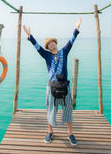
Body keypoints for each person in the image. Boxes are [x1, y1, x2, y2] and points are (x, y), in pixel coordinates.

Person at [23, 17, 81, 146]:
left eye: (53, 42)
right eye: (49, 44)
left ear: (56, 43)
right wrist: (29, 35)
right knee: (50, 110)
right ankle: (50, 132)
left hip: (65, 86)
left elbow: (71, 41)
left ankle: (70, 134)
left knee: (68, 110)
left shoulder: (64, 52)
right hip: (51, 88)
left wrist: (77, 28)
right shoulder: (46, 55)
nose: (51, 44)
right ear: (48, 47)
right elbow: (37, 46)